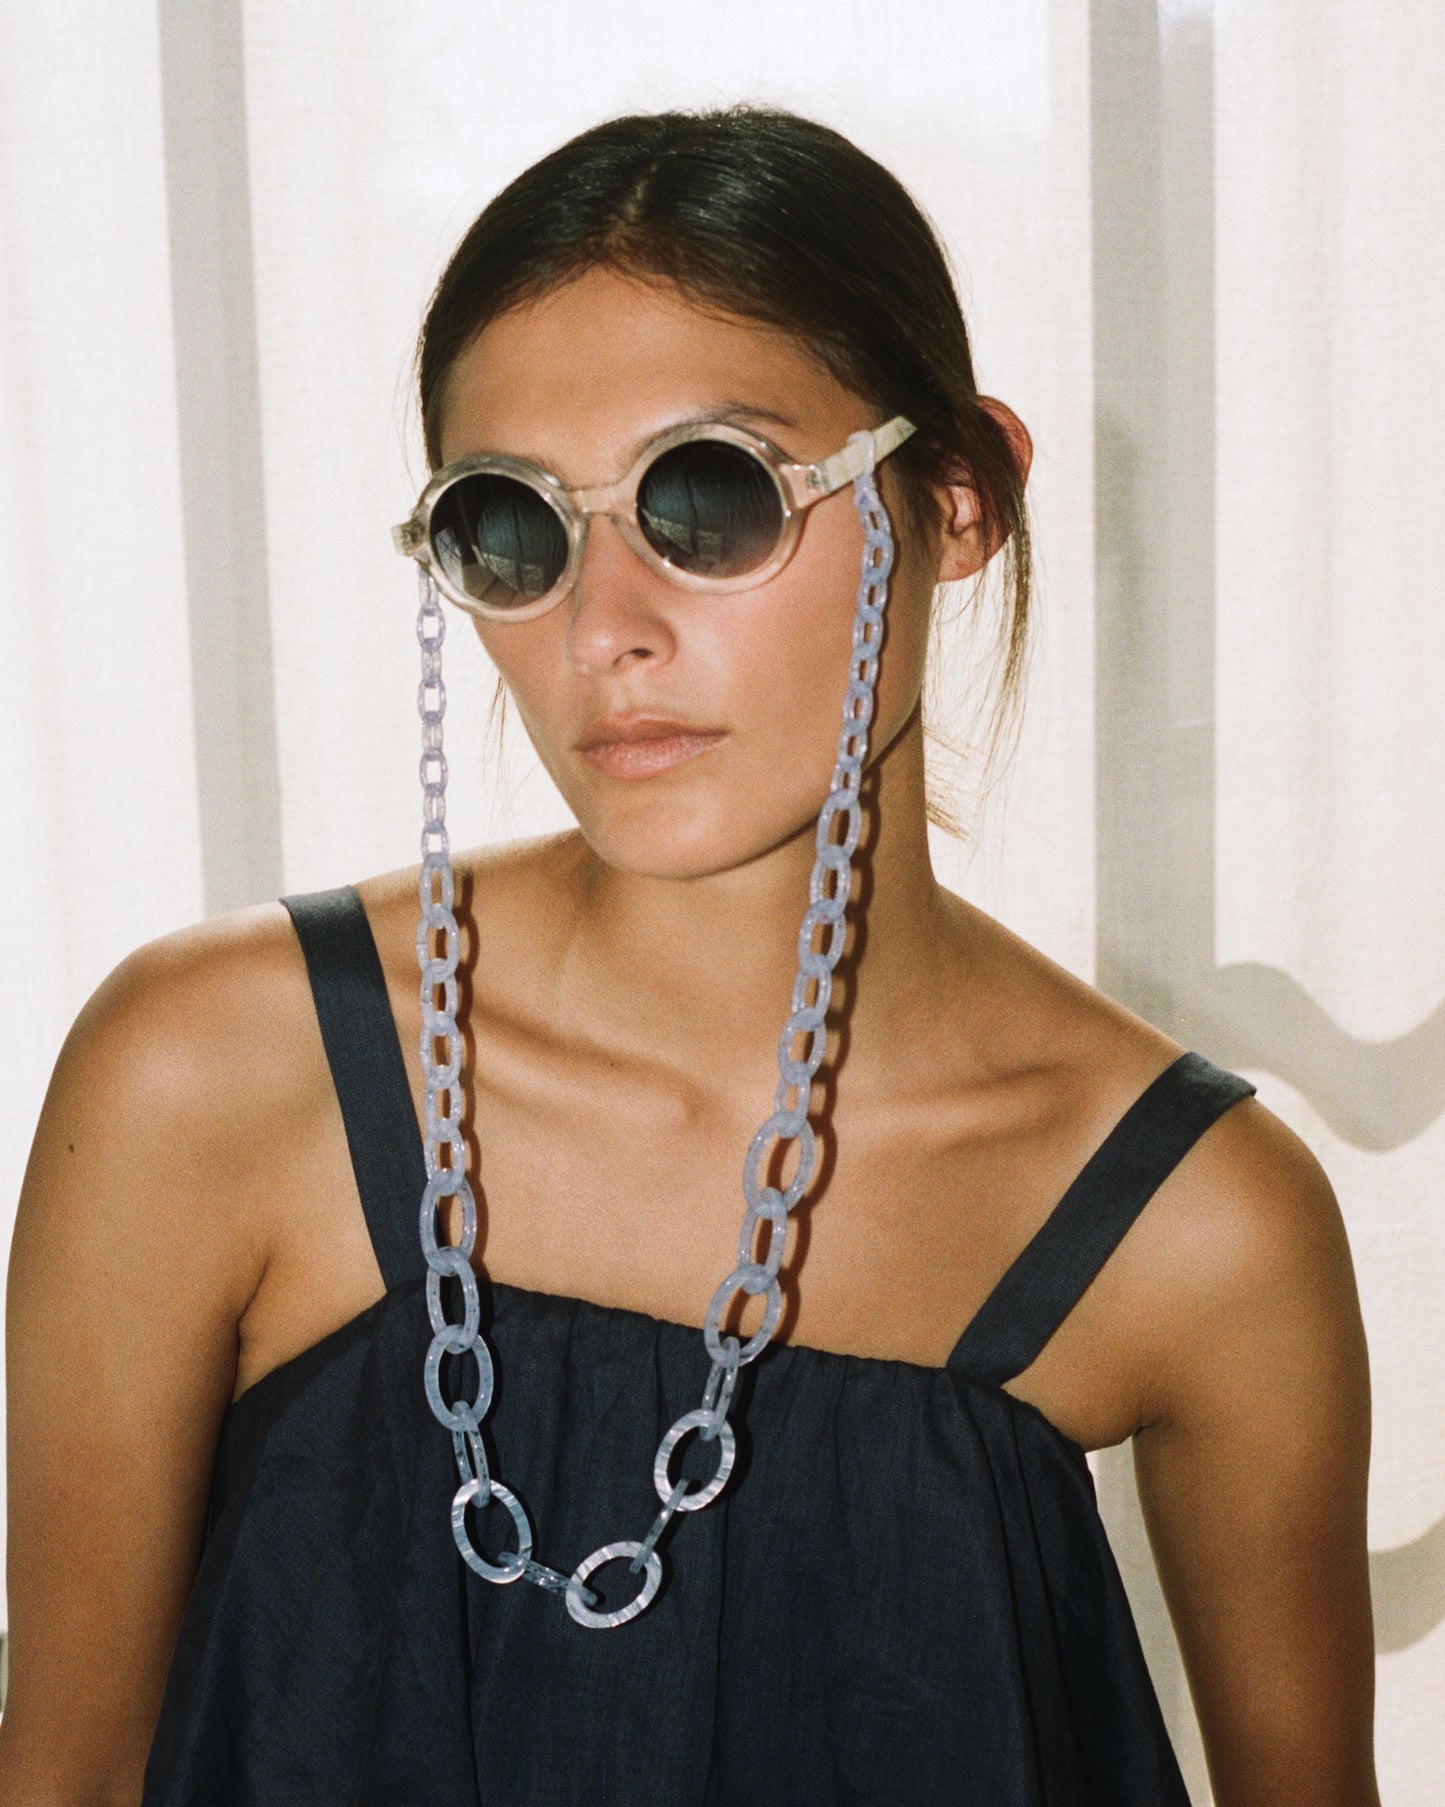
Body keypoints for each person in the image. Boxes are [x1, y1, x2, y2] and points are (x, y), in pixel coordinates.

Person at [1, 108, 1377, 1805]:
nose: (604, 632)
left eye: (708, 498)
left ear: (958, 497)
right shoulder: (214, 1074)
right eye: (513, 528)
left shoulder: (1200, 1233)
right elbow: (62, 1775)